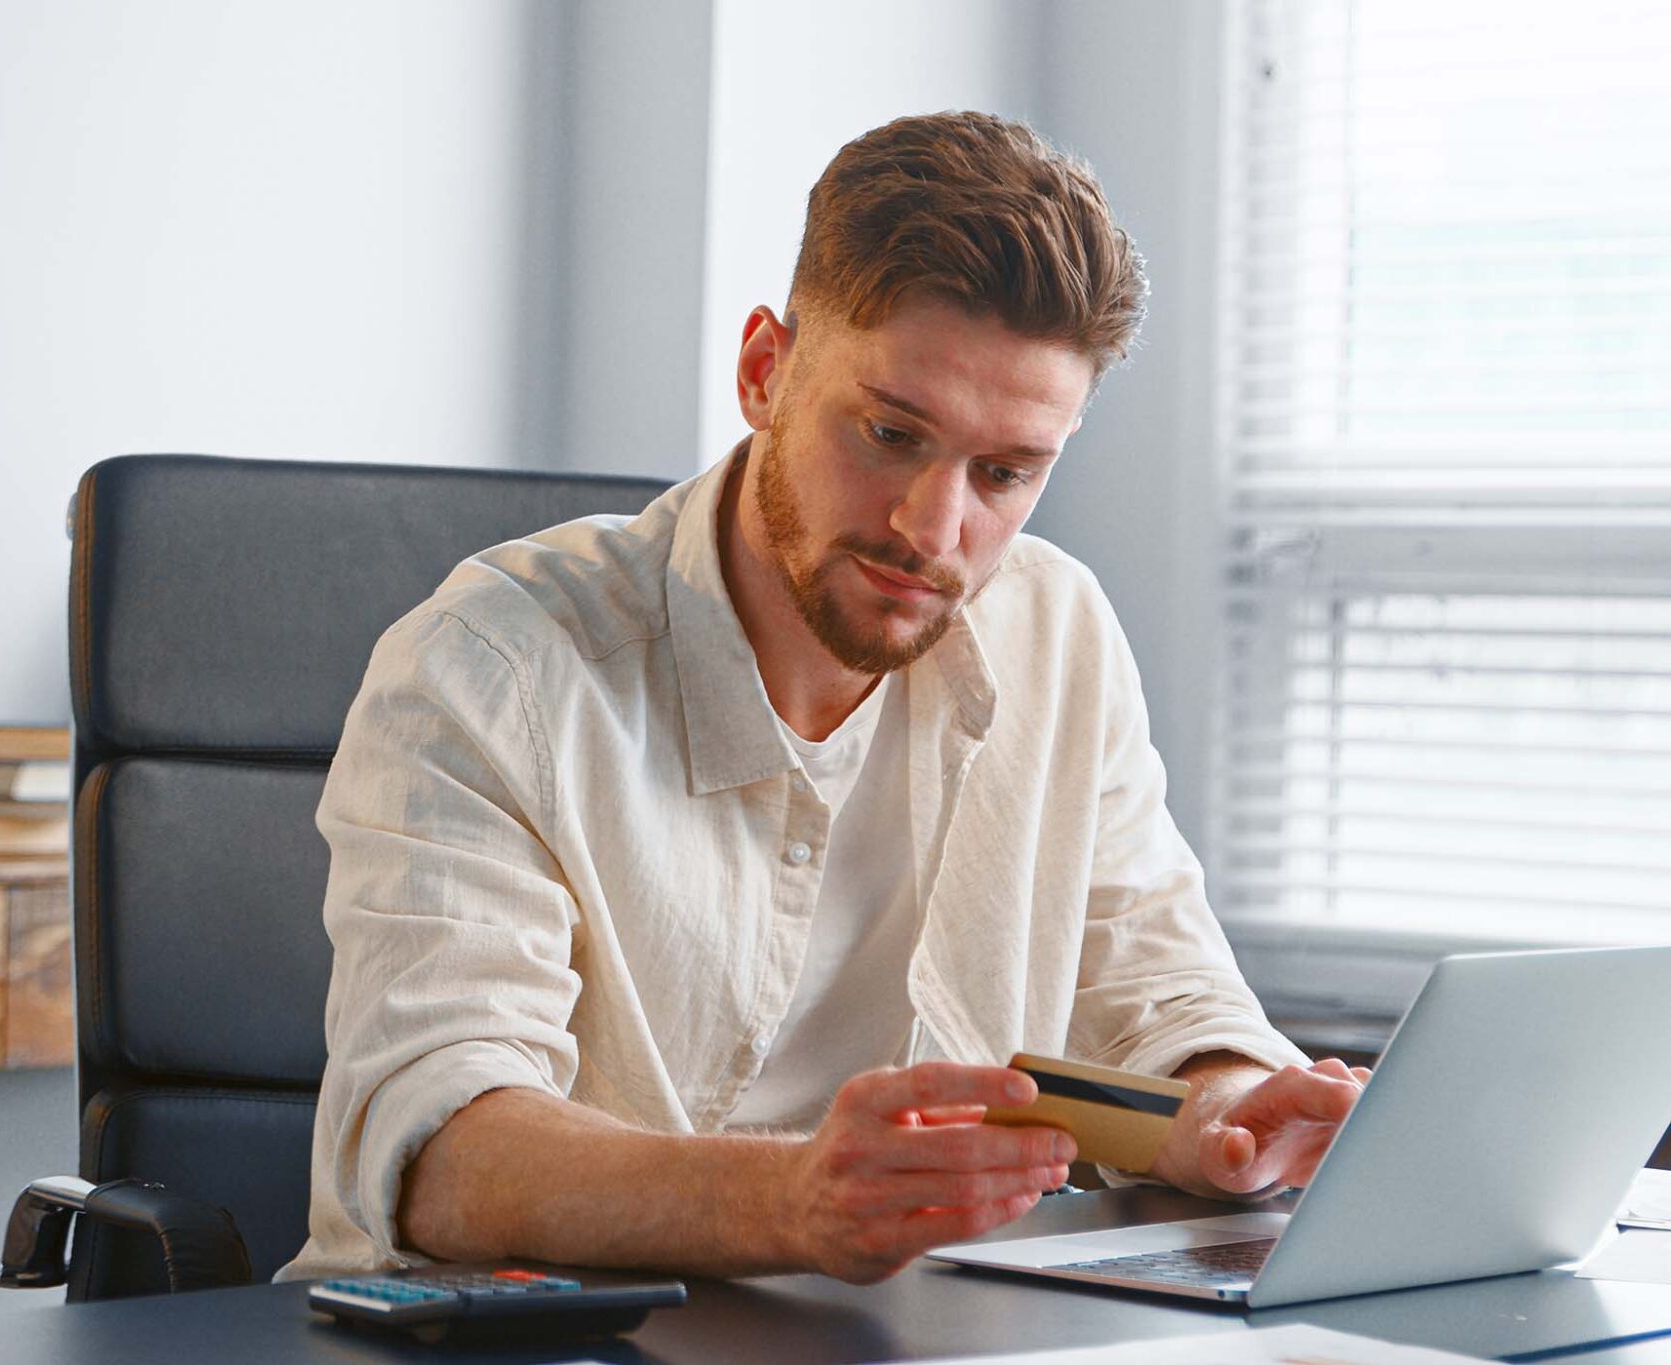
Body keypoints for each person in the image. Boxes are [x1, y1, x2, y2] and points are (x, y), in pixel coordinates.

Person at [278, 111, 1367, 1287]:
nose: (934, 529)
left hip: (911, 1331)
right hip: (527, 1339)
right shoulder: (489, 668)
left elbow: (1154, 993)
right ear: (763, 372)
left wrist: (1233, 1111)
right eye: (890, 434)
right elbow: (440, 1149)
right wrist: (794, 1202)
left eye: (1004, 474)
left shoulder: (1055, 631)